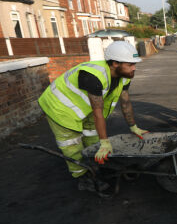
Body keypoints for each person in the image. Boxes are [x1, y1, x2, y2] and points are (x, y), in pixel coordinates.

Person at [38, 41, 149, 192]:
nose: (134, 68)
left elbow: (125, 102)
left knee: (93, 139)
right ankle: (83, 178)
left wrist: (134, 127)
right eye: (130, 64)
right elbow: (98, 112)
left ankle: (96, 166)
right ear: (115, 63)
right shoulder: (93, 76)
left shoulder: (124, 76)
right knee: (72, 144)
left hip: (83, 108)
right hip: (59, 107)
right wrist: (105, 142)